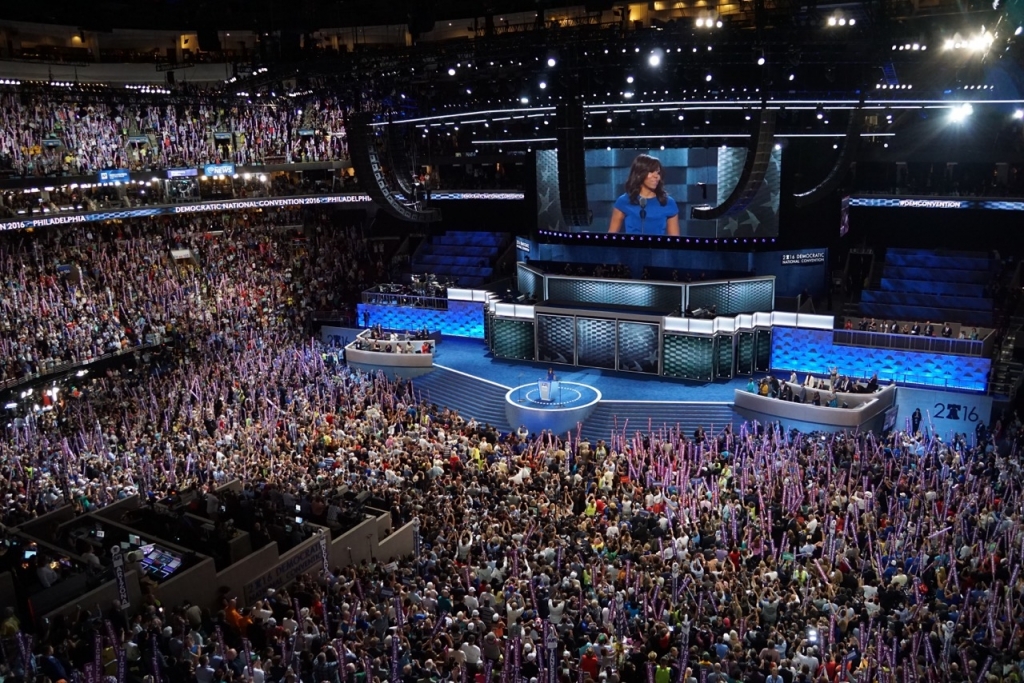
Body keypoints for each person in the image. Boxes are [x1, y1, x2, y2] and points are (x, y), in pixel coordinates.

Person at [607, 154, 680, 235]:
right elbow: (611, 237)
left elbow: (675, 242)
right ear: (639, 174)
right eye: (651, 172)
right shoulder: (624, 201)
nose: (656, 176)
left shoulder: (668, 203)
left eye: (658, 173)